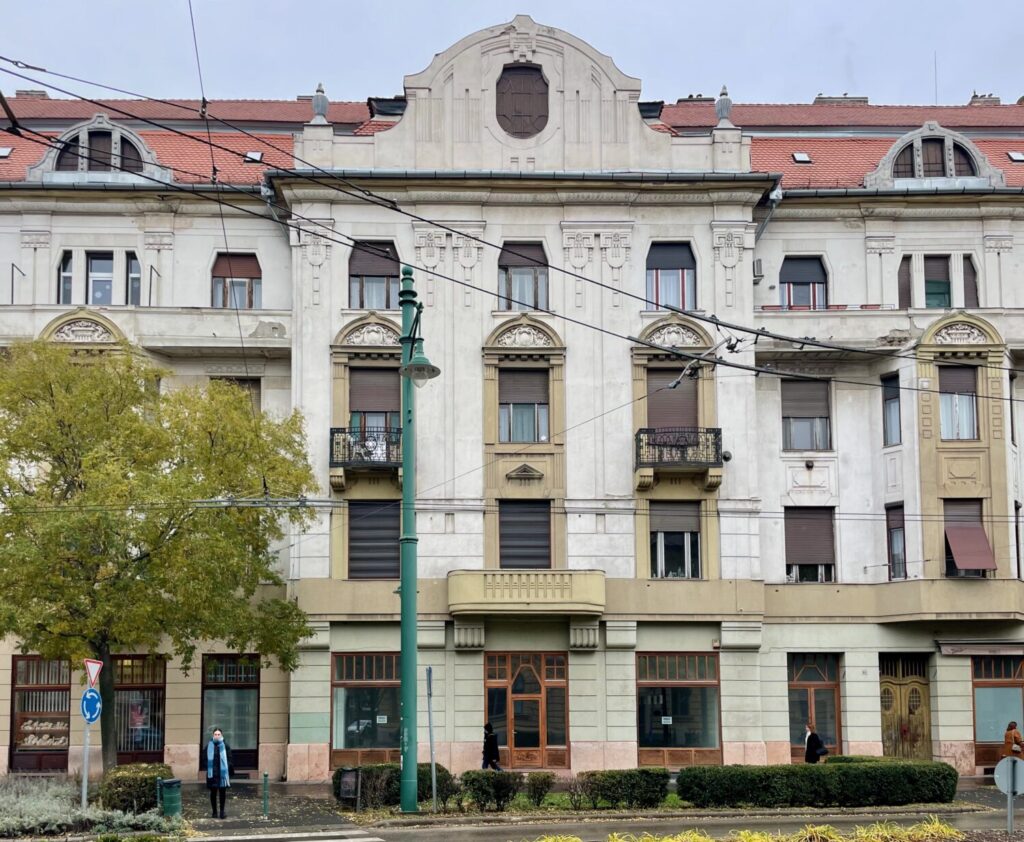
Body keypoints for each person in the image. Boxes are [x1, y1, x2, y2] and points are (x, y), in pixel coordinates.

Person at [206, 727, 232, 818]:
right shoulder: (209, 745)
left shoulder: (225, 745)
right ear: (213, 735)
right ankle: (214, 812)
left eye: (218, 734)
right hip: (212, 774)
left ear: (221, 735)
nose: (217, 736)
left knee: (222, 794)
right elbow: (204, 759)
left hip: (222, 775)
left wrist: (225, 768)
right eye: (215, 734)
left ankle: (222, 812)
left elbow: (229, 759)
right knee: (213, 794)